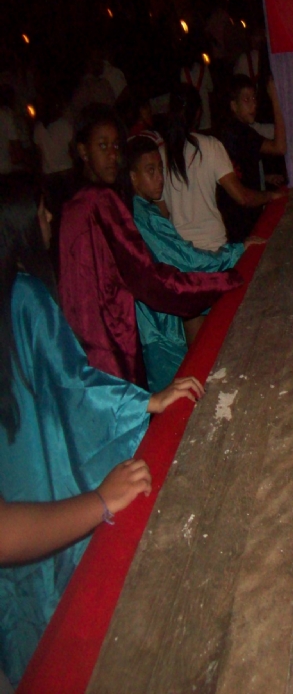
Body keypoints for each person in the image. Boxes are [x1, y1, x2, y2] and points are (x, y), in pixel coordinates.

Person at [0, 176, 203, 684]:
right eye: (41, 213)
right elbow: (72, 382)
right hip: (34, 505)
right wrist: (144, 403)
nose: (50, 220)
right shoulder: (24, 297)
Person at [59, 105, 243, 387]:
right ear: (83, 151)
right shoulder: (104, 204)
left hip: (94, 340)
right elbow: (152, 278)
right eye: (103, 146)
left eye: (116, 146)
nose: (112, 155)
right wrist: (228, 276)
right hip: (118, 338)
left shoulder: (79, 203)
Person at [122, 134, 252, 391]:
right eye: (150, 171)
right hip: (156, 330)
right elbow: (183, 258)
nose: (159, 177)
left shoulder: (142, 211)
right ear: (133, 177)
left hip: (160, 322)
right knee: (179, 393)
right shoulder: (142, 217)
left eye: (160, 169)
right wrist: (236, 252)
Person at [161, 85, 284, 253]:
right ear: (198, 113)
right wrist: (270, 195)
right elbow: (242, 197)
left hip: (180, 252)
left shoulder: (161, 153)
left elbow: (162, 213)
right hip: (212, 247)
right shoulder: (210, 146)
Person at [220, 74, 287, 240]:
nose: (253, 104)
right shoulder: (242, 133)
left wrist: (265, 177)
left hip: (235, 215)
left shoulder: (231, 130)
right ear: (234, 106)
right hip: (244, 216)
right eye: (246, 100)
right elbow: (280, 148)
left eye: (254, 98)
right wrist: (276, 100)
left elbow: (240, 168)